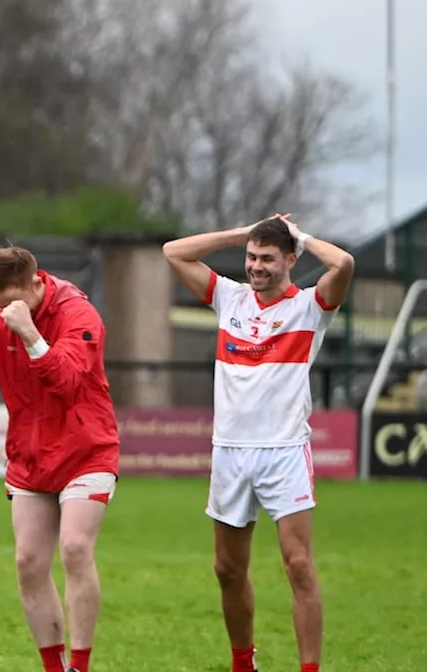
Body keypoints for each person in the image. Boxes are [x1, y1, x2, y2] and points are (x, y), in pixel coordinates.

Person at [163, 214, 354, 672]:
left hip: (284, 451)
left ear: (291, 259)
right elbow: (174, 251)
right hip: (229, 451)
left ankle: (309, 668)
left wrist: (303, 237)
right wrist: (241, 233)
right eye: (251, 257)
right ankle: (242, 662)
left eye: (267, 257)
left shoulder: (311, 306)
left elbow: (343, 263)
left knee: (299, 566)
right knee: (227, 570)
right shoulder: (229, 298)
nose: (256, 266)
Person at [0, 246, 120, 672]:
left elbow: (68, 383)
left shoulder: (78, 315)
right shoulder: (0, 321)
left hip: (86, 451)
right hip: (30, 457)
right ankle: (54, 667)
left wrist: (31, 335)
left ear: (37, 283)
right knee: (29, 562)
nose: (5, 312)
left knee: (73, 547)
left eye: (13, 302)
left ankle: (80, 665)